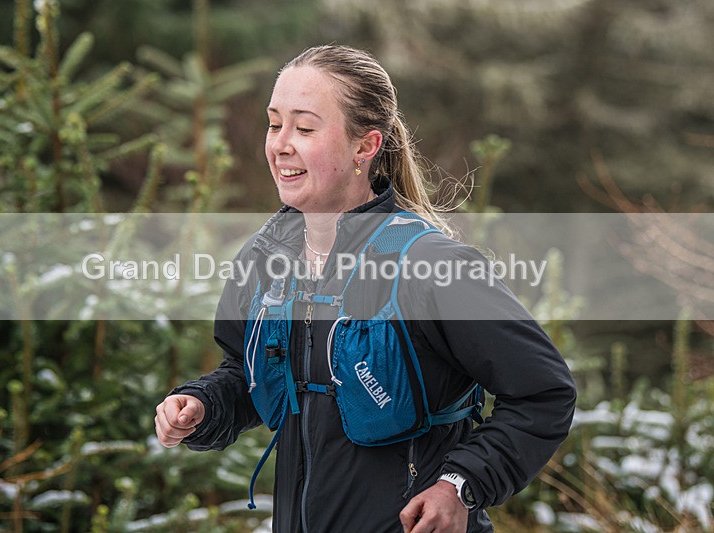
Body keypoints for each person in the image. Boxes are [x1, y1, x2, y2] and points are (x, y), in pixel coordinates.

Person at [154, 44, 576, 533]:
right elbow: (249, 375)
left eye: (305, 128)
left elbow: (544, 393)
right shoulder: (265, 259)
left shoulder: (431, 265)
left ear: (365, 146)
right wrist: (202, 405)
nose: (280, 144)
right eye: (274, 124)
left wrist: (460, 485)